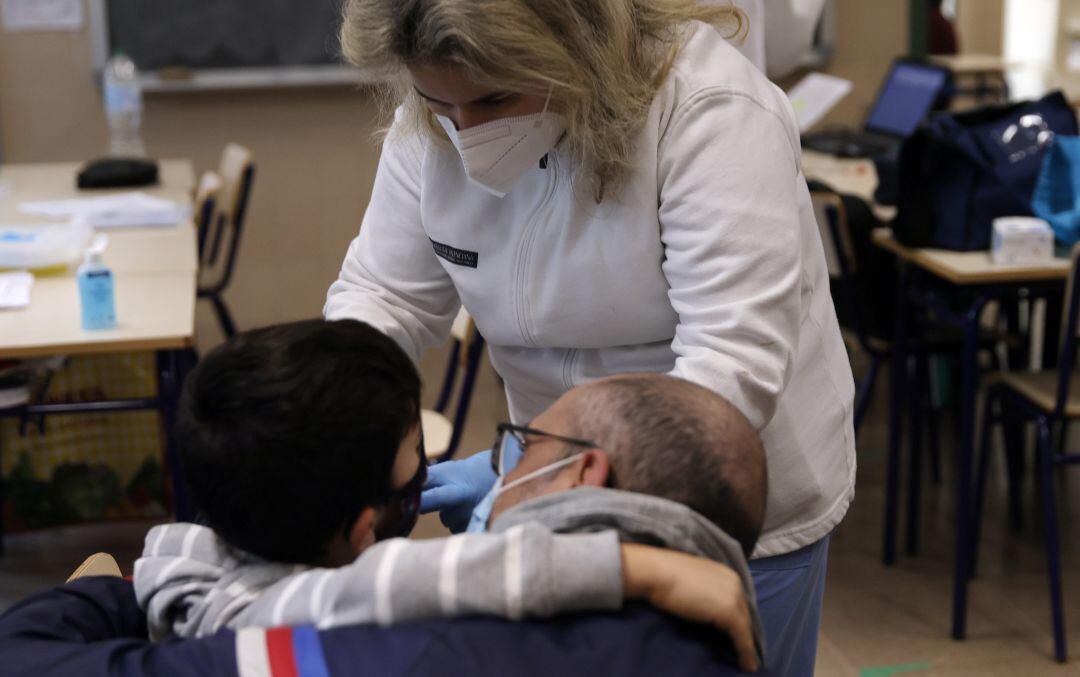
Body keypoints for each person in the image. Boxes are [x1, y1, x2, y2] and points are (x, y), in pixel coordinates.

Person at [324, 1, 855, 673]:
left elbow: (726, 373)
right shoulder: (429, 126)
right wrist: (330, 418)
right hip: (556, 464)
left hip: (732, 491)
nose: (468, 135)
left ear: (574, 43)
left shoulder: (710, 111)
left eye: (494, 98)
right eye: (440, 105)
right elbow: (383, 294)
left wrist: (531, 480)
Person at [0, 350, 771, 676]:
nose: (504, 461)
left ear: (584, 474)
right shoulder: (709, 638)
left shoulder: (423, 646)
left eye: (523, 443)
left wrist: (122, 588)